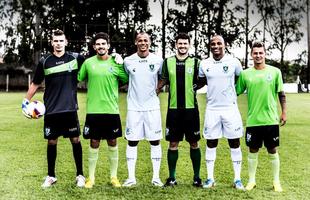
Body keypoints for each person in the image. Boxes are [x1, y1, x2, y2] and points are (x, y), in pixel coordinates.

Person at [21, 29, 85, 188]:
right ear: (51, 43)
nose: (58, 44)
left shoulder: (75, 58)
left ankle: (80, 175)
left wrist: (114, 57)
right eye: (55, 41)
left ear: (66, 42)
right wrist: (25, 102)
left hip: (69, 108)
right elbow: (35, 83)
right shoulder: (45, 61)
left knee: (75, 140)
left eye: (61, 41)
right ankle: (51, 176)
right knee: (51, 141)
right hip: (51, 109)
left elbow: (95, 62)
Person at [78, 32, 128, 188]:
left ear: (108, 46)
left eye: (103, 44)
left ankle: (113, 177)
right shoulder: (88, 63)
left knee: (113, 141)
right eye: (98, 44)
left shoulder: (116, 62)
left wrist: (122, 64)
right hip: (93, 111)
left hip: (111, 110)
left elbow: (126, 80)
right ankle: (91, 178)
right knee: (94, 142)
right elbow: (78, 78)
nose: (100, 46)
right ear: (94, 47)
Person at [236, 41, 287, 192]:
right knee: (253, 150)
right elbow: (235, 92)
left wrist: (284, 112)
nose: (258, 55)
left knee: (272, 149)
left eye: (261, 53)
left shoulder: (275, 72)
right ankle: (252, 181)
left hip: (271, 119)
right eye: (255, 53)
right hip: (253, 120)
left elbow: (281, 94)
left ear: (265, 54)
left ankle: (276, 182)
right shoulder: (245, 74)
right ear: (251, 55)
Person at [198, 35, 244, 190]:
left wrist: (231, 94)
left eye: (219, 43)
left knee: (234, 142)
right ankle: (210, 178)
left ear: (225, 45)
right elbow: (201, 81)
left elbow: (240, 79)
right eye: (213, 44)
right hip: (212, 109)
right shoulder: (204, 64)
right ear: (210, 46)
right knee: (211, 142)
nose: (216, 46)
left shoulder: (234, 62)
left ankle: (237, 179)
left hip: (230, 109)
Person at [157, 33, 202, 187]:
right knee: (173, 143)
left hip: (191, 110)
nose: (182, 46)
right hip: (174, 110)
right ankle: (172, 178)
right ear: (175, 45)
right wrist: (154, 91)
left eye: (185, 44)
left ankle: (197, 178)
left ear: (189, 45)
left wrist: (195, 88)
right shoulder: (167, 62)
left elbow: (203, 79)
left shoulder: (196, 62)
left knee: (194, 143)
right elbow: (162, 80)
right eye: (180, 44)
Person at [122, 32, 164, 187]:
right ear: (136, 42)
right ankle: (131, 177)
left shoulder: (158, 60)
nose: (143, 43)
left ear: (150, 43)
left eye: (146, 40)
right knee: (132, 141)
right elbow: (125, 77)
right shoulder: (128, 61)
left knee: (155, 141)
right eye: (140, 40)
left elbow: (163, 77)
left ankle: (156, 177)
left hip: (152, 107)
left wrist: (158, 88)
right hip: (134, 108)